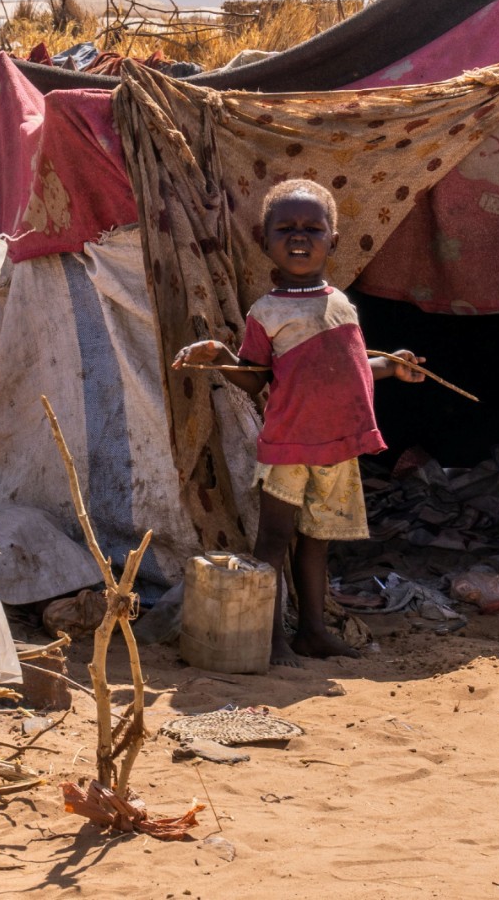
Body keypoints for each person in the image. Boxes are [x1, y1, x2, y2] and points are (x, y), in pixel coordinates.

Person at [173, 178, 424, 666]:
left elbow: (351, 369)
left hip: (337, 446)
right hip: (288, 445)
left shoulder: (342, 304)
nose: (299, 237)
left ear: (333, 239)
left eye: (313, 228)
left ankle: (312, 630)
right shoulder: (265, 312)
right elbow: (256, 380)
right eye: (285, 228)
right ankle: (269, 639)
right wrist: (221, 356)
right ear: (264, 241)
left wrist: (391, 365)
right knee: (273, 542)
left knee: (316, 542)